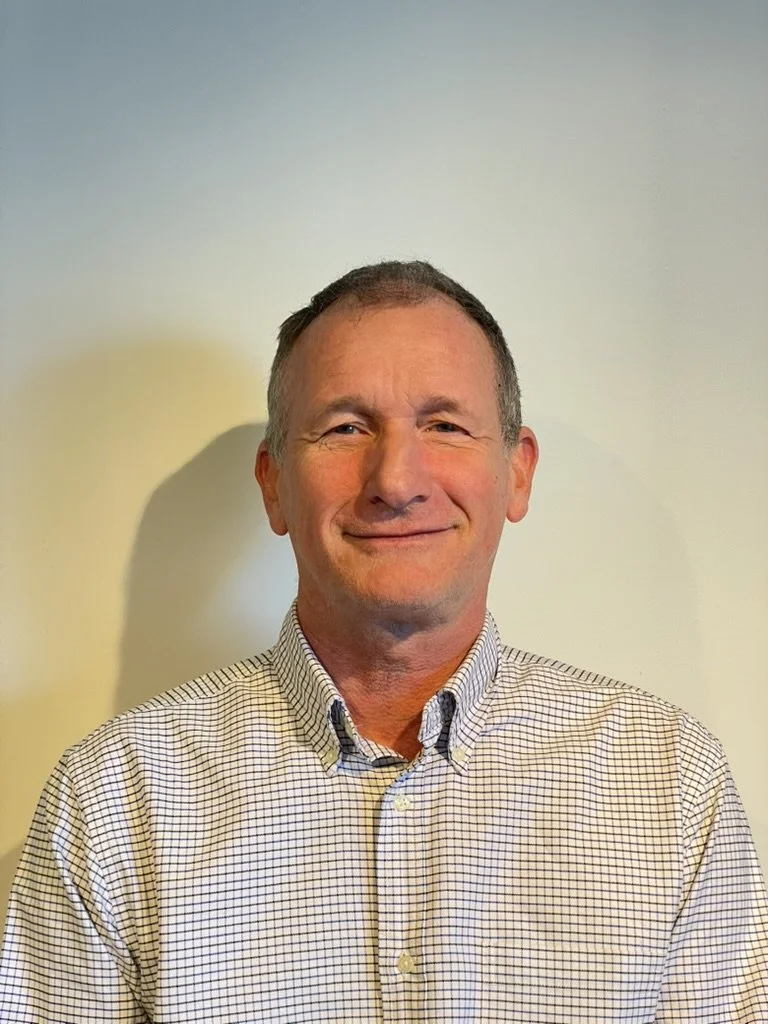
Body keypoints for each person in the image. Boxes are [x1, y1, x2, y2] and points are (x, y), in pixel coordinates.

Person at [1, 260, 766, 1022]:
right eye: (345, 428)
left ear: (517, 472)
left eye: (444, 425)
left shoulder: (668, 782)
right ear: (274, 483)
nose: (396, 480)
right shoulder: (115, 799)